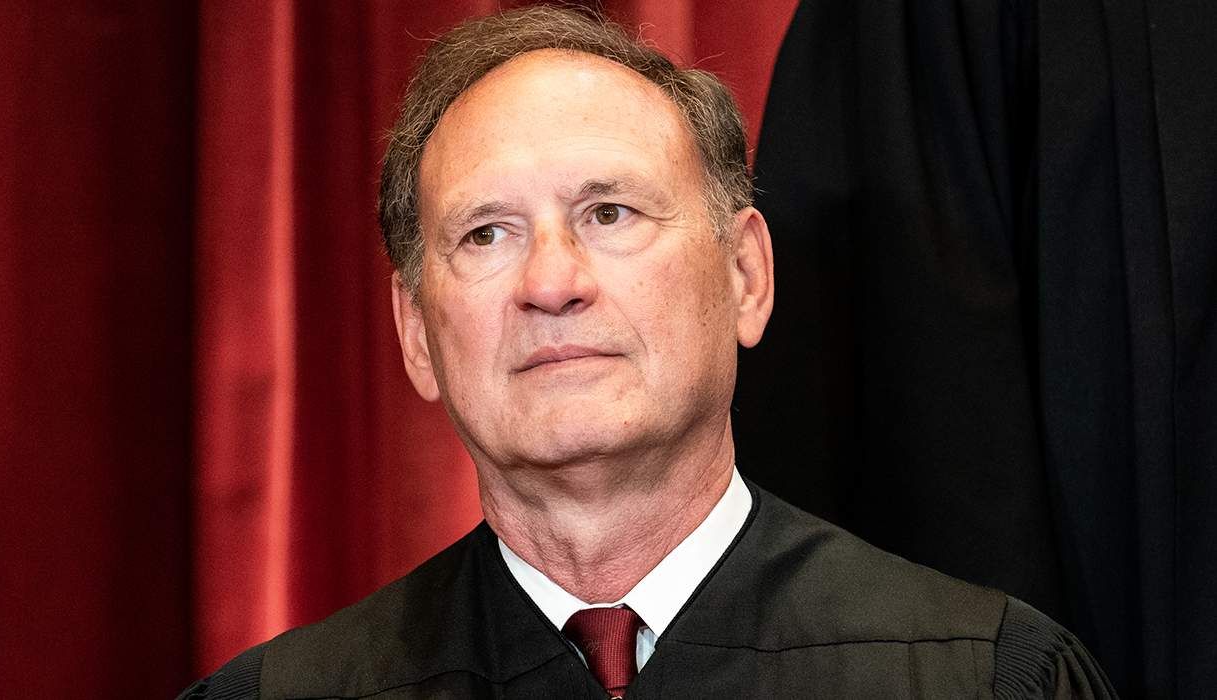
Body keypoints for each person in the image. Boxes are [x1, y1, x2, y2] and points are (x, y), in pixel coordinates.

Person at [180, 6, 1115, 698]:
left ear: (746, 274)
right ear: (417, 334)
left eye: (609, 213)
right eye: (486, 234)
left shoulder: (987, 678)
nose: (552, 281)